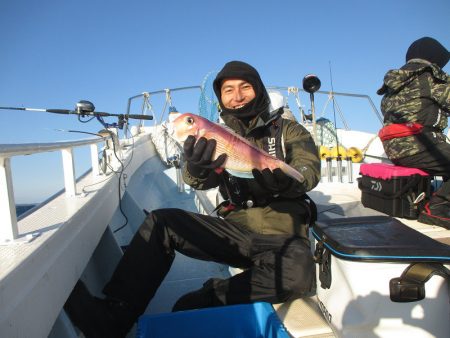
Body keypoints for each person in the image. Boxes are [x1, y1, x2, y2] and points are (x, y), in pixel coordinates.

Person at [65, 60, 321, 338]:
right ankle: (114, 316)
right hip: (236, 232)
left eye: (245, 87)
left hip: (282, 233)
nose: (237, 96)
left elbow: (308, 169)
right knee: (162, 222)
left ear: (258, 90)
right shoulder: (213, 133)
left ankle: (209, 296)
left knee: (299, 275)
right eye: (228, 90)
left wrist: (288, 181)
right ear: (220, 98)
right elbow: (196, 180)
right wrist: (197, 165)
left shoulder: (288, 131)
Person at [377, 37, 450, 228]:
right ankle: (437, 209)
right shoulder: (431, 78)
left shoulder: (392, 86)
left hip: (394, 148)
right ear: (435, 60)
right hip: (419, 145)